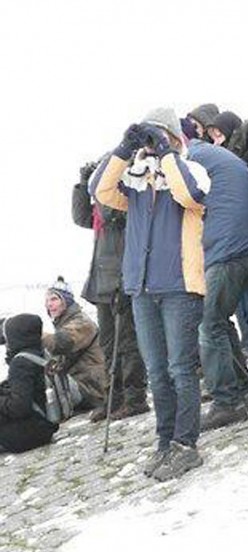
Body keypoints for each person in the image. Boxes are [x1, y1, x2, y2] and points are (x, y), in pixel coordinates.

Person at [92, 108, 205, 481]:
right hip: (142, 288)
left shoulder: (191, 170)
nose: (152, 146)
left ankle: (185, 444)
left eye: (158, 137)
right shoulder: (136, 182)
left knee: (180, 369)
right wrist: (124, 150)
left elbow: (191, 196)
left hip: (179, 286)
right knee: (157, 372)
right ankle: (164, 442)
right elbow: (101, 191)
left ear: (173, 138)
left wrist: (168, 155)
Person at [178, 138, 248, 430]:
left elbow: (183, 202)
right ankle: (242, 388)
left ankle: (226, 402)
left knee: (208, 322)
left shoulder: (186, 160)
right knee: (221, 319)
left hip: (227, 247)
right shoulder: (214, 155)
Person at [72, 161, 149, 420]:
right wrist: (83, 186)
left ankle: (135, 397)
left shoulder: (123, 200)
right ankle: (113, 398)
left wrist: (104, 188)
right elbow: (81, 217)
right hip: (102, 282)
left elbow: (115, 225)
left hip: (119, 280)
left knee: (127, 342)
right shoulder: (102, 205)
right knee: (108, 344)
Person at [42, 277, 108, 419]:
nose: (49, 305)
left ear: (66, 301)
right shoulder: (64, 324)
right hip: (81, 385)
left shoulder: (82, 322)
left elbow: (61, 343)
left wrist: (29, 332)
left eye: (54, 299)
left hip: (91, 387)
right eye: (47, 301)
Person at [0, 314, 58, 453]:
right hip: (45, 427)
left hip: (26, 435)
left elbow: (18, 407)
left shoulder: (20, 363)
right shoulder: (38, 353)